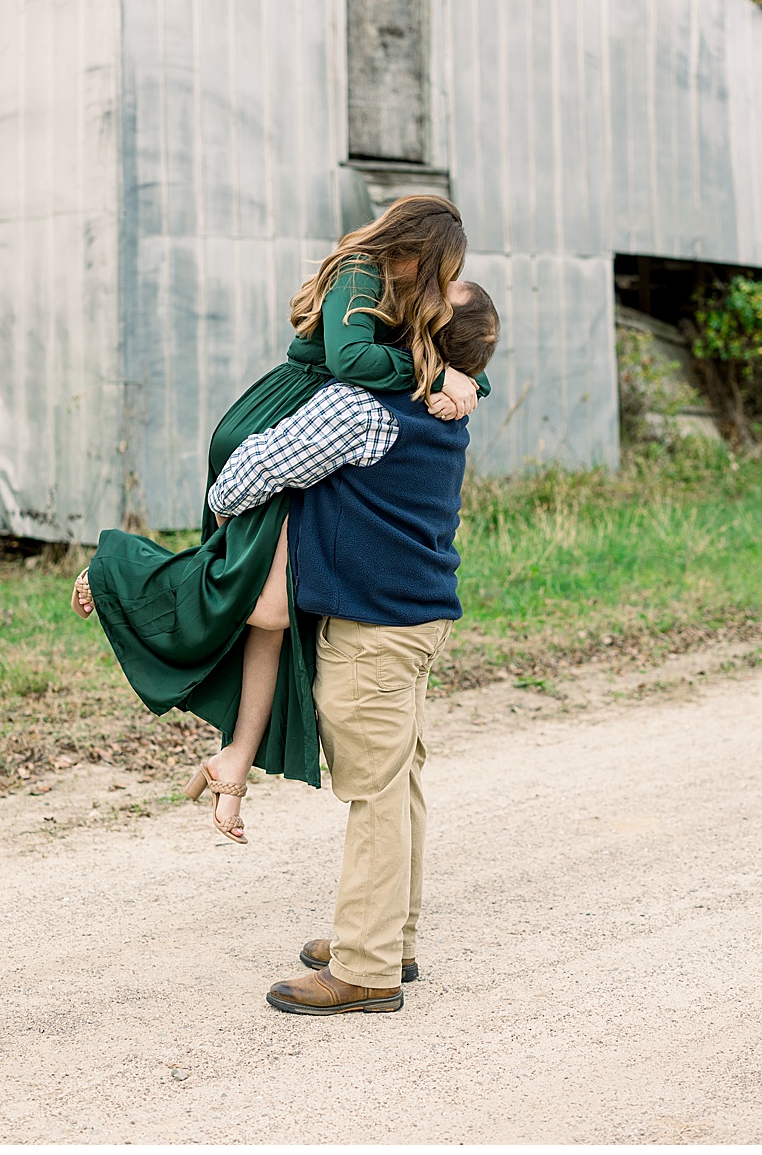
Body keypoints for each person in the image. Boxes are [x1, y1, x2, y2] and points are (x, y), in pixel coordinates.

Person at [72, 195, 487, 842]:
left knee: (271, 617)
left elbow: (440, 349)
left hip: (308, 427)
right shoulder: (361, 270)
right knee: (244, 587)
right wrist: (431, 366)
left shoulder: (398, 291)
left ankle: (233, 764)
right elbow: (352, 363)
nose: (436, 284)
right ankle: (117, 571)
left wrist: (464, 375)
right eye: (438, 268)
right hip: (273, 422)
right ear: (417, 249)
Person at [198, 283, 501, 1013]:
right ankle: (390, 937)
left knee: (373, 791)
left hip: (372, 629)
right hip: (420, 616)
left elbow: (238, 482)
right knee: (399, 782)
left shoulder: (359, 406)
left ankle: (366, 966)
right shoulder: (445, 404)